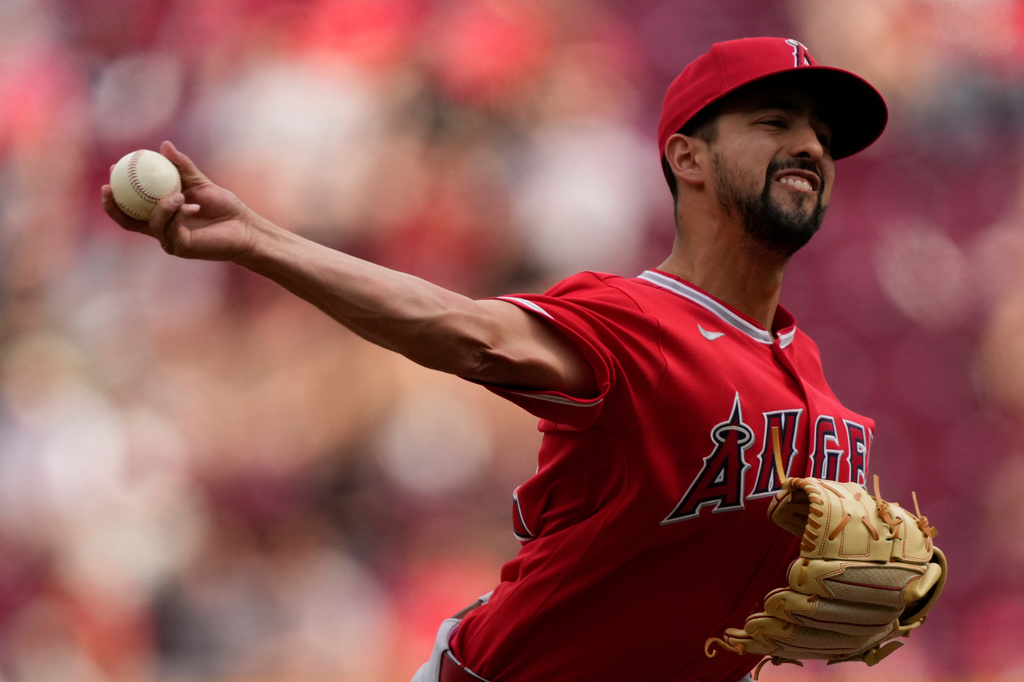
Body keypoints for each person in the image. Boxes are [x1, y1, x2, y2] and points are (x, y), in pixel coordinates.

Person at [102, 37, 889, 682]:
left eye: (822, 133)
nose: (809, 146)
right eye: (775, 121)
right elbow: (463, 330)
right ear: (688, 159)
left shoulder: (813, 377)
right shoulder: (636, 321)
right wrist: (261, 241)